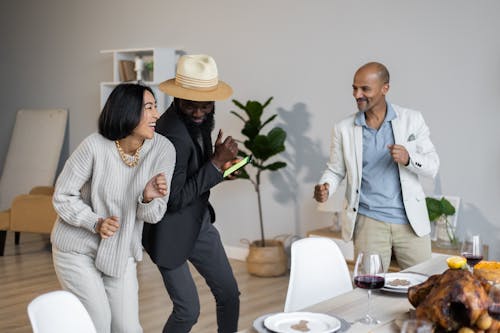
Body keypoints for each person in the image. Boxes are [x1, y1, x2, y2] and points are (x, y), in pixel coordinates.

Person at [51, 83, 176, 333]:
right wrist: (94, 222)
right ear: (127, 111)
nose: (156, 115)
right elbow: (62, 196)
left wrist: (148, 198)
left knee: (127, 328)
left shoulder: (163, 149)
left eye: (155, 107)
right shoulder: (94, 146)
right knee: (97, 323)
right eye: (148, 108)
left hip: (120, 251)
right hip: (76, 248)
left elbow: (154, 215)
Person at [142, 54, 240, 333]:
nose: (199, 113)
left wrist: (220, 169)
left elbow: (191, 173)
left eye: (205, 106)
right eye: (191, 106)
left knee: (229, 295)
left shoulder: (195, 122)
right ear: (177, 99)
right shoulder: (171, 136)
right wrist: (215, 165)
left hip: (198, 223)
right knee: (188, 311)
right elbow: (173, 198)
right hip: (169, 231)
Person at [314, 62, 440, 271]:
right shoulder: (343, 128)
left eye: (365, 89)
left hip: (410, 222)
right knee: (369, 290)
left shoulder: (412, 120)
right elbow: (335, 170)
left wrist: (409, 158)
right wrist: (326, 186)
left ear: (385, 88)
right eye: (354, 88)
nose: (357, 94)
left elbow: (432, 165)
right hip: (368, 222)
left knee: (424, 286)